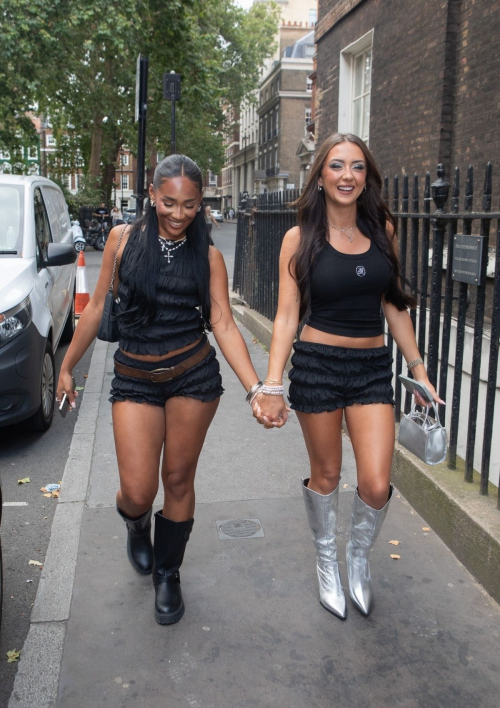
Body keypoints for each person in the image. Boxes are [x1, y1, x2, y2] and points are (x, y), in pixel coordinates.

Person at [57, 155, 263, 625]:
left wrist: (257, 389)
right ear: (151, 195)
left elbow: (224, 324)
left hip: (192, 376)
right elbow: (95, 309)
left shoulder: (207, 254)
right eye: (169, 202)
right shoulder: (123, 240)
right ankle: (136, 524)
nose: (179, 214)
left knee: (177, 480)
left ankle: (168, 573)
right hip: (134, 377)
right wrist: (67, 366)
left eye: (191, 205)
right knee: (136, 489)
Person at [253, 133, 444, 620]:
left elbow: (394, 305)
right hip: (317, 366)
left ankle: (357, 557)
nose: (346, 176)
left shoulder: (383, 228)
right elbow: (286, 314)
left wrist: (419, 371)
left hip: (371, 370)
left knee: (376, 483)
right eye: (336, 166)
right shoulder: (300, 239)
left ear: (366, 177)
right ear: (320, 176)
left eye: (357, 167)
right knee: (329, 475)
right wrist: (272, 384)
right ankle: (326, 561)